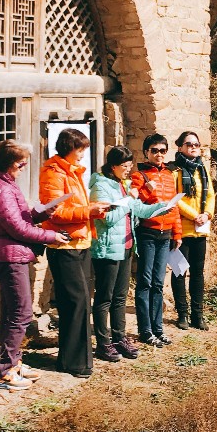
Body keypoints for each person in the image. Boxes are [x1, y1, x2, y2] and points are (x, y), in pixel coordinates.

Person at [0, 140, 69, 391]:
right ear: (10, 165)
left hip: (14, 255)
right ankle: (4, 371)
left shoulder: (8, 185)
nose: (23, 169)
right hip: (10, 256)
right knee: (21, 313)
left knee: (13, 313)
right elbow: (17, 228)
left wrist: (42, 214)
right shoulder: (1, 189)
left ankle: (12, 362)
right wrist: (50, 236)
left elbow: (22, 218)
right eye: (21, 165)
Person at [90, 146, 174, 360]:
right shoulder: (101, 186)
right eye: (125, 166)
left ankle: (119, 338)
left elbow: (139, 209)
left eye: (130, 166)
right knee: (104, 298)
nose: (129, 170)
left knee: (119, 297)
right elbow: (107, 218)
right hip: (108, 249)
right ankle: (103, 342)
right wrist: (129, 200)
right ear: (113, 166)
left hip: (126, 246)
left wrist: (163, 207)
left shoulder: (123, 185)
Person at [39, 129, 111, 378]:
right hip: (63, 246)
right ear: (68, 147)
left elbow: (78, 208)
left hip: (80, 243)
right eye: (79, 149)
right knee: (76, 303)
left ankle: (76, 359)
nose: (83, 154)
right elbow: (55, 213)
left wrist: (94, 211)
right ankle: (74, 361)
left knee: (80, 303)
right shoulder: (53, 173)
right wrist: (88, 212)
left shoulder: (73, 172)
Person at [132, 133, 182, 347]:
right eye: (154, 150)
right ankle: (145, 330)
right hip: (148, 233)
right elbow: (137, 202)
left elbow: (174, 206)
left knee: (159, 283)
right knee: (145, 282)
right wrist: (147, 189)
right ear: (146, 152)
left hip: (166, 235)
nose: (159, 154)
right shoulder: (139, 175)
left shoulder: (170, 175)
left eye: (163, 150)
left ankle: (158, 329)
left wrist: (177, 232)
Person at [172, 131, 216, 330]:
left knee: (198, 273)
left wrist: (207, 214)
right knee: (179, 272)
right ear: (180, 146)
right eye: (188, 144)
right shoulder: (175, 171)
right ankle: (182, 314)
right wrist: (193, 215)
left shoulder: (202, 170)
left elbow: (212, 196)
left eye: (196, 144)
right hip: (182, 230)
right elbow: (175, 198)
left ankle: (198, 315)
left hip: (200, 229)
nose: (193, 147)